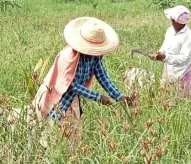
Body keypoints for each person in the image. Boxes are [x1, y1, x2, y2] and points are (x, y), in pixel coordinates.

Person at [33, 16, 133, 150]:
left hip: (72, 101)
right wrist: (98, 97)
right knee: (52, 138)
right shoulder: (67, 57)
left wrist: (118, 96)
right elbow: (72, 84)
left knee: (73, 139)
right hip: (56, 100)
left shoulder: (94, 57)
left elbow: (102, 76)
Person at [151, 5, 191, 98]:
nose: (171, 23)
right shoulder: (170, 31)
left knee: (180, 96)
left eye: (173, 21)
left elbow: (184, 57)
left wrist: (166, 57)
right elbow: (165, 45)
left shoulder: (189, 36)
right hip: (168, 67)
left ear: (179, 22)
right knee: (164, 92)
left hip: (183, 70)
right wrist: (159, 53)